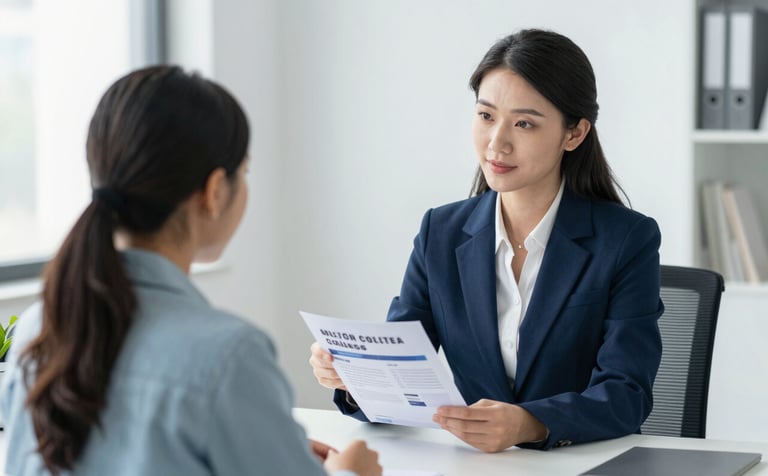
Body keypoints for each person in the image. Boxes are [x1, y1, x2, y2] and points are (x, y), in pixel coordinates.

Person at [1, 66, 381, 476]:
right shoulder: (228, 356)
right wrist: (351, 473)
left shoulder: (39, 328)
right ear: (215, 191)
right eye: (245, 171)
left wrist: (268, 442)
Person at [309, 29, 663, 453]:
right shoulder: (440, 233)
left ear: (574, 134)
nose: (497, 142)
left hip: (583, 464)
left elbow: (627, 394)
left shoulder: (626, 240)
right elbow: (402, 369)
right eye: (486, 116)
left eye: (525, 123)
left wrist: (529, 423)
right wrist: (355, 379)